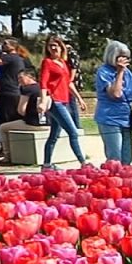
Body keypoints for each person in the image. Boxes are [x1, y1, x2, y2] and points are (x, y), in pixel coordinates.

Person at [94, 40, 132, 165]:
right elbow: (115, 94)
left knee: (127, 157)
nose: (125, 60)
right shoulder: (103, 72)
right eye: (122, 56)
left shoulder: (128, 72)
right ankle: (113, 181)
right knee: (115, 157)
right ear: (113, 56)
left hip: (125, 118)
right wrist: (119, 73)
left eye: (127, 57)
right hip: (109, 118)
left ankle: (126, 181)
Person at [38, 36, 86, 170]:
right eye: (50, 46)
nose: (53, 48)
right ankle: (83, 162)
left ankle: (46, 164)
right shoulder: (47, 62)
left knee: (54, 135)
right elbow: (43, 83)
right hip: (55, 101)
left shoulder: (63, 63)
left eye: (56, 45)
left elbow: (68, 82)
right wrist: (42, 101)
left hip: (64, 100)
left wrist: (79, 98)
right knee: (73, 132)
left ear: (61, 47)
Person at [0, 69, 46, 164]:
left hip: (33, 123)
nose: (19, 81)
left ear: (30, 77)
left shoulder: (27, 89)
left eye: (21, 78)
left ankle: (7, 155)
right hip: (48, 123)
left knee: (2, 128)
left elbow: (21, 110)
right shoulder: (43, 88)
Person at [65, 43, 85, 127]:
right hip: (70, 82)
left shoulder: (71, 53)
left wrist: (70, 79)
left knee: (72, 104)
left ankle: (76, 126)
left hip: (70, 82)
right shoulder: (70, 52)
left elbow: (74, 67)